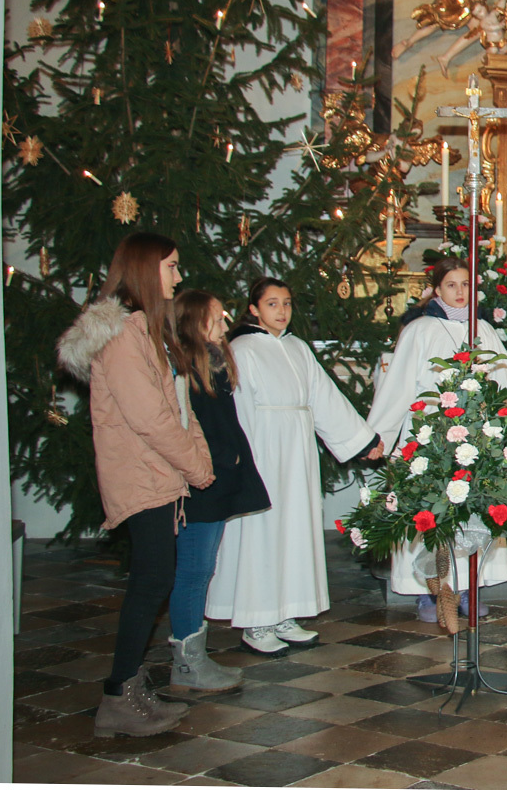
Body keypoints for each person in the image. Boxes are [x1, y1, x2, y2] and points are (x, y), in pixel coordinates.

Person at [57, 233, 213, 738]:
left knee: (154, 579)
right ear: (146, 269)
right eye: (171, 266)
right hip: (142, 472)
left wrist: (197, 457)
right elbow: (150, 418)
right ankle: (117, 697)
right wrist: (195, 466)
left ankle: (129, 687)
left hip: (160, 471)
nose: (178, 276)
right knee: (151, 582)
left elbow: (178, 405)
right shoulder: (124, 336)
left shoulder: (146, 328)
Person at [204, 279, 382, 654]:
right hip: (263, 449)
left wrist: (363, 440)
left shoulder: (297, 347)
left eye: (286, 303)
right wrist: (243, 461)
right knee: (262, 531)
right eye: (272, 304)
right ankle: (257, 621)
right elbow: (237, 410)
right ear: (254, 309)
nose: (282, 311)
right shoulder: (242, 349)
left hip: (297, 451)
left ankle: (285, 613)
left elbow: (324, 397)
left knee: (294, 529)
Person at [367, 257, 507, 621]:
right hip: (430, 432)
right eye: (452, 285)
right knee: (429, 511)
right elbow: (397, 385)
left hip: (476, 434)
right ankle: (428, 590)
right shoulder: (420, 329)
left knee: (474, 509)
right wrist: (376, 437)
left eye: (466, 284)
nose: (460, 292)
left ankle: (467, 587)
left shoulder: (483, 329)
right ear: (437, 289)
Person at [167, 290, 271, 691]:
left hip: (217, 476)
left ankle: (193, 656)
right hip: (199, 481)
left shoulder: (213, 364)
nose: (225, 324)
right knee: (194, 570)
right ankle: (187, 664)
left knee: (201, 568)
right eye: (216, 317)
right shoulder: (185, 370)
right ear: (195, 322)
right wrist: (221, 458)